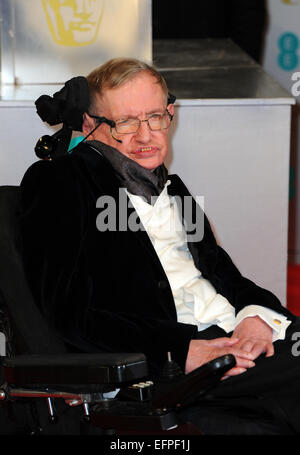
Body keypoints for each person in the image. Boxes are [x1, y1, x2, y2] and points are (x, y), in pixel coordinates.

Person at [19, 58, 300, 435]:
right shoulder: (62, 181)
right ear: (90, 125)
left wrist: (258, 317)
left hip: (233, 337)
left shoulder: (176, 191)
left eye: (155, 117)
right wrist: (180, 351)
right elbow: (69, 314)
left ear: (170, 114)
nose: (145, 135)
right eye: (126, 122)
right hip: (167, 365)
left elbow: (230, 279)